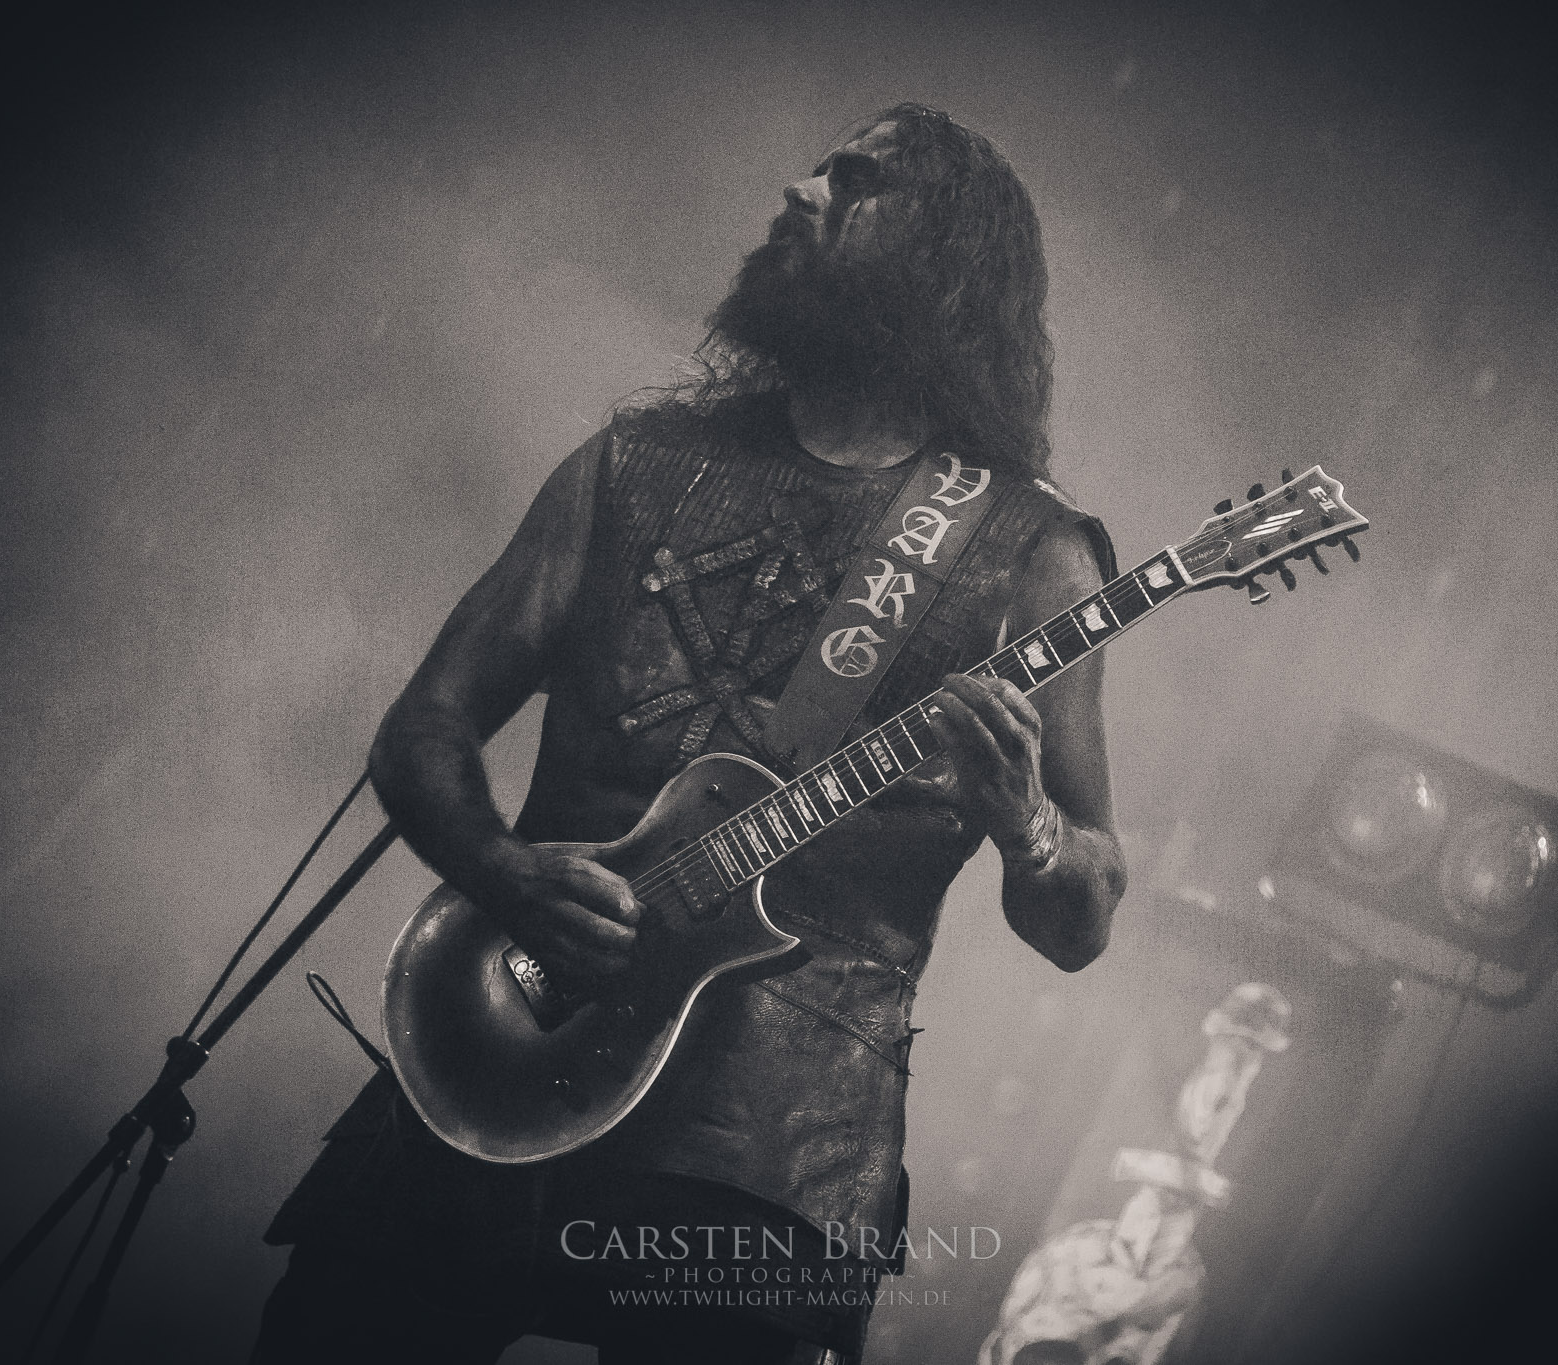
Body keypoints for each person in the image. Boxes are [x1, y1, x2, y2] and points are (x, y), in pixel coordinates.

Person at [251, 103, 1127, 1365]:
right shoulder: (637, 462)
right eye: (816, 168)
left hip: (768, 1143)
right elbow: (423, 727)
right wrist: (505, 872)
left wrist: (1029, 826)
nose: (799, 190)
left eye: (854, 180)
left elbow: (1080, 920)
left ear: (944, 256)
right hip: (503, 1032)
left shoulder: (1028, 552)